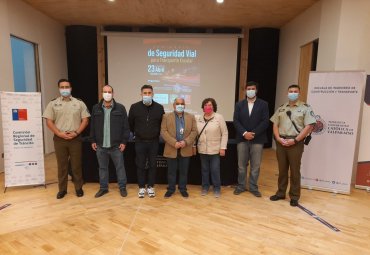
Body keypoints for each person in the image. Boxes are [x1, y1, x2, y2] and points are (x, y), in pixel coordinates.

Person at [43, 78, 90, 199]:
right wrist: (59, 133)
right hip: (60, 139)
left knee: (76, 165)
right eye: (62, 87)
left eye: (67, 87)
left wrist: (76, 132)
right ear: (59, 89)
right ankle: (62, 189)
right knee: (62, 165)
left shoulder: (79, 103)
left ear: (71, 88)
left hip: (75, 138)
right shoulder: (53, 103)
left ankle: (78, 188)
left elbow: (85, 120)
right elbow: (49, 121)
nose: (65, 89)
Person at [269, 84, 316, 206]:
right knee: (282, 169)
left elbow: (309, 126)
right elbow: (275, 124)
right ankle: (280, 193)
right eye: (291, 91)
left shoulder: (305, 107)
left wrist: (295, 140)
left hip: (296, 143)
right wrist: (278, 138)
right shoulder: (281, 108)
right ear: (287, 93)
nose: (293, 93)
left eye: (295, 91)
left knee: (295, 170)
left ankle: (294, 196)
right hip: (281, 142)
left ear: (299, 93)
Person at [90, 85, 130, 198]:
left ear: (113, 93)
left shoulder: (120, 108)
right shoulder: (96, 108)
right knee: (102, 168)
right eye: (105, 91)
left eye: (109, 91)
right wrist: (92, 140)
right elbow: (92, 126)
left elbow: (126, 127)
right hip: (100, 145)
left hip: (116, 146)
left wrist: (124, 142)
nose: (107, 94)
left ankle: (122, 188)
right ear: (101, 93)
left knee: (120, 167)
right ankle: (103, 188)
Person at [233, 81, 270, 197]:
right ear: (245, 90)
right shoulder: (239, 104)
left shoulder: (263, 104)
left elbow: (265, 121)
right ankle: (241, 186)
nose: (250, 91)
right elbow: (236, 121)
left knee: (255, 166)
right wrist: (244, 133)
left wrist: (253, 133)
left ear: (256, 90)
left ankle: (253, 187)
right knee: (241, 165)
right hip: (242, 138)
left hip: (257, 139)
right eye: (248, 89)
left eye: (252, 88)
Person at [128, 85, 165, 198]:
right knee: (140, 165)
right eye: (145, 93)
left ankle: (150, 187)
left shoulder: (159, 108)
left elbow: (161, 125)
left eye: (149, 93)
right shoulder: (134, 107)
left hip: (154, 142)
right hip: (140, 141)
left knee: (153, 165)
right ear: (141, 94)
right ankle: (141, 187)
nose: (147, 95)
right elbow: (131, 124)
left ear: (153, 94)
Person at [161, 97, 198, 198]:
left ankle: (183, 189)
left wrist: (185, 142)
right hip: (171, 148)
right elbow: (163, 131)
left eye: (182, 103)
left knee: (184, 171)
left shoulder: (191, 117)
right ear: (173, 105)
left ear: (185, 105)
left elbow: (194, 131)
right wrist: (174, 143)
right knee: (171, 172)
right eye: (177, 103)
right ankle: (171, 189)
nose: (180, 105)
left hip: (185, 148)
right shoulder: (166, 116)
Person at [195, 98, 228, 198]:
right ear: (203, 107)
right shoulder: (198, 118)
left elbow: (225, 133)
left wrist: (223, 147)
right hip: (202, 149)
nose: (207, 107)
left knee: (215, 170)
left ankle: (217, 188)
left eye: (210, 105)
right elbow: (195, 133)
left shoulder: (219, 117)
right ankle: (205, 187)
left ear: (213, 106)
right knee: (204, 170)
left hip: (215, 150)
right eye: (205, 105)